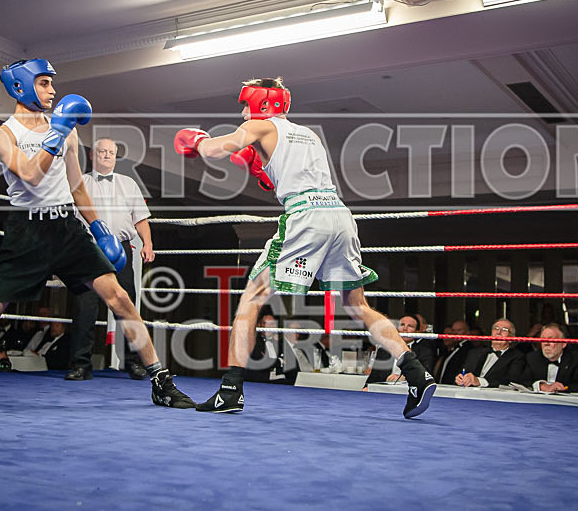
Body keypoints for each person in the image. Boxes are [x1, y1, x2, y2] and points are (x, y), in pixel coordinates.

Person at [0, 59, 194, 408]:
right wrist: (56, 133)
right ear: (21, 86)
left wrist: (98, 227)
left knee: (120, 298)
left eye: (52, 84)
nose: (53, 91)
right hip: (26, 231)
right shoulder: (3, 135)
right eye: (45, 83)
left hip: (66, 227)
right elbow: (30, 176)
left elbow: (77, 187)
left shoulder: (68, 130)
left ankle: (159, 378)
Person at [174, 77, 435, 417]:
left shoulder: (260, 125)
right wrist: (258, 163)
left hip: (306, 215)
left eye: (245, 105)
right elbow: (280, 174)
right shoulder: (308, 134)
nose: (242, 112)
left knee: (251, 300)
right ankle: (416, 373)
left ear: (263, 104)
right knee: (357, 306)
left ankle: (230, 389)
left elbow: (211, 150)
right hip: (340, 216)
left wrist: (198, 140)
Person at [66, 137, 154, 381]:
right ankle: (81, 365)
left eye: (111, 152)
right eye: (102, 151)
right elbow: (70, 220)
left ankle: (135, 363)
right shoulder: (80, 182)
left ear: (115, 157)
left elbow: (141, 218)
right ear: (93, 155)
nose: (106, 155)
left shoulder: (129, 184)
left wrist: (148, 243)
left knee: (127, 306)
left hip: (121, 250)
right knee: (85, 306)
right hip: (88, 250)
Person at [365, 314, 436, 385]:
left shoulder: (424, 352)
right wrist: (366, 387)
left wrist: (403, 378)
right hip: (384, 390)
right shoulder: (384, 349)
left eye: (410, 326)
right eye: (402, 325)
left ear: (417, 331)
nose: (405, 329)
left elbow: (426, 376)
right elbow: (374, 376)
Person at [455, 319, 525, 388]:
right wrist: (460, 378)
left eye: (504, 330)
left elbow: (511, 381)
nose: (498, 332)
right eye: (496, 328)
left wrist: (479, 381)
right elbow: (463, 371)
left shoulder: (517, 356)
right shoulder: (474, 353)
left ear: (511, 338)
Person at [519, 323, 578, 393]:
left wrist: (560, 388)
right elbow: (522, 381)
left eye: (551, 339)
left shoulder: (576, 359)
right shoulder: (532, 358)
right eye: (543, 339)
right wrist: (541, 386)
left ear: (563, 344)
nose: (546, 343)